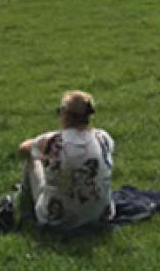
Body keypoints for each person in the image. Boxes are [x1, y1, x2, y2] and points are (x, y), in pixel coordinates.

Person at [17, 90, 115, 231]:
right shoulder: (103, 138)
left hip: (57, 219)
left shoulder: (54, 141)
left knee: (33, 158)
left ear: (65, 114)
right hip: (101, 216)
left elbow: (23, 148)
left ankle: (23, 206)